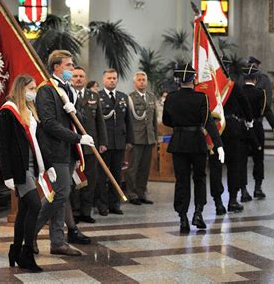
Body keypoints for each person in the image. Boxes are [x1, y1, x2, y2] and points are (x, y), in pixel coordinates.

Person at [34, 50, 95, 256]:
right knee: (59, 194)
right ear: (56, 67)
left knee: (63, 194)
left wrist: (75, 110)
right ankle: (29, 232)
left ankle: (57, 241)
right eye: (68, 65)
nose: (72, 69)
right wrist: (77, 138)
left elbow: (77, 119)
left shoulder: (67, 89)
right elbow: (49, 123)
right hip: (54, 150)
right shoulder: (46, 90)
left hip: (68, 150)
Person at [162, 63, 224, 233]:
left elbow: (166, 120)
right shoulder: (201, 98)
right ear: (193, 79)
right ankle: (198, 213)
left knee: (181, 180)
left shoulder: (171, 98)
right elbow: (208, 122)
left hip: (179, 142)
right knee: (199, 178)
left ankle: (183, 217)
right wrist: (218, 145)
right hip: (197, 142)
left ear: (178, 80)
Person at [0, 74, 44, 273]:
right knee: (35, 205)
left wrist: (46, 165)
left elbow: (37, 140)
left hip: (33, 164)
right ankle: (26, 252)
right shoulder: (8, 111)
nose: (33, 92)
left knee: (25, 209)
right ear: (21, 89)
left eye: (34, 88)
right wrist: (7, 174)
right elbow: (4, 145)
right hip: (19, 167)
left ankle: (15, 250)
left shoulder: (30, 109)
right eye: (31, 88)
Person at [208, 57, 254, 215]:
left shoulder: (210, 87)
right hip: (233, 130)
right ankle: (233, 200)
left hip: (215, 130)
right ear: (227, 69)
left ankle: (218, 203)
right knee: (234, 166)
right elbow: (246, 107)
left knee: (215, 167)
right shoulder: (233, 86)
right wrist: (248, 121)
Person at [70, 66, 108, 223]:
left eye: (81, 76)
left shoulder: (93, 95)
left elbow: (100, 121)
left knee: (90, 180)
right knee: (75, 180)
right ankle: (75, 212)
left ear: (85, 79)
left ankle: (86, 211)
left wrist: (103, 142)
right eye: (75, 76)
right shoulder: (66, 95)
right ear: (71, 79)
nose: (78, 79)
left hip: (91, 146)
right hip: (74, 146)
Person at [96, 69, 134, 216]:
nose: (112, 80)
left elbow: (128, 121)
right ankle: (102, 205)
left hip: (119, 142)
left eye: (114, 78)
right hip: (104, 144)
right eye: (109, 78)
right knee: (102, 176)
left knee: (117, 175)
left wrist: (130, 140)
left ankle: (115, 204)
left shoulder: (123, 97)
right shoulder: (97, 97)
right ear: (103, 80)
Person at [240, 65, 274, 199]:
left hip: (241, 127)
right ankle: (258, 188)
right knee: (258, 159)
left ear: (243, 78)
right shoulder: (259, 93)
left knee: (241, 160)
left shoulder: (237, 92)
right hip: (256, 127)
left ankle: (243, 190)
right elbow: (267, 111)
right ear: (256, 79)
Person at [125, 71, 157, 205]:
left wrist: (155, 137)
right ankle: (132, 194)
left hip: (148, 138)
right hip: (136, 138)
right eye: (139, 80)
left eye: (144, 79)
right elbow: (127, 120)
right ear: (135, 82)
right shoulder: (130, 98)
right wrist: (128, 139)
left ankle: (141, 192)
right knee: (133, 168)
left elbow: (153, 119)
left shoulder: (151, 97)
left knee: (145, 168)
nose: (142, 82)